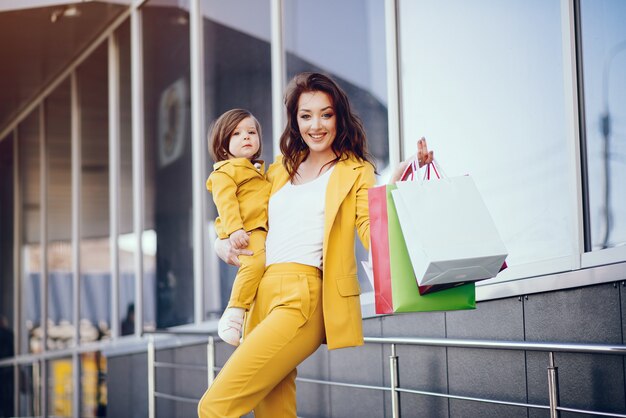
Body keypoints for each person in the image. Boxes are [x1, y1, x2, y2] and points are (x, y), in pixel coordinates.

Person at [197, 72, 433, 418]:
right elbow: (245, 215)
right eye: (305, 115)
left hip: (302, 295)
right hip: (260, 295)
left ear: (339, 116)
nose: (316, 125)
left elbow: (370, 230)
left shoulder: (356, 171)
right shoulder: (279, 170)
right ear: (295, 120)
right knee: (274, 412)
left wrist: (392, 186)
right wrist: (222, 244)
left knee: (215, 407)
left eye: (325, 114)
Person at [206, 109, 271, 346]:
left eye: (251, 132)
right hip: (245, 231)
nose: (246, 137)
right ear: (224, 145)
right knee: (254, 264)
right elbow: (226, 202)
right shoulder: (225, 171)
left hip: (260, 230)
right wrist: (234, 231)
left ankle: (248, 318)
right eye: (237, 133)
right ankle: (234, 313)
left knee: (262, 268)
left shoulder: (259, 171)